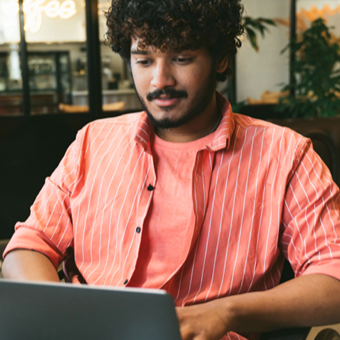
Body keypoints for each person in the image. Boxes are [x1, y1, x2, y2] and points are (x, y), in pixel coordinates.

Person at [2, 0, 340, 339]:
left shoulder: (287, 155)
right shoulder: (93, 141)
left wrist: (226, 313)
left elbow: (333, 278)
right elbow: (29, 244)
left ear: (220, 58)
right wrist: (62, 317)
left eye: (181, 58)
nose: (159, 80)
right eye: (144, 60)